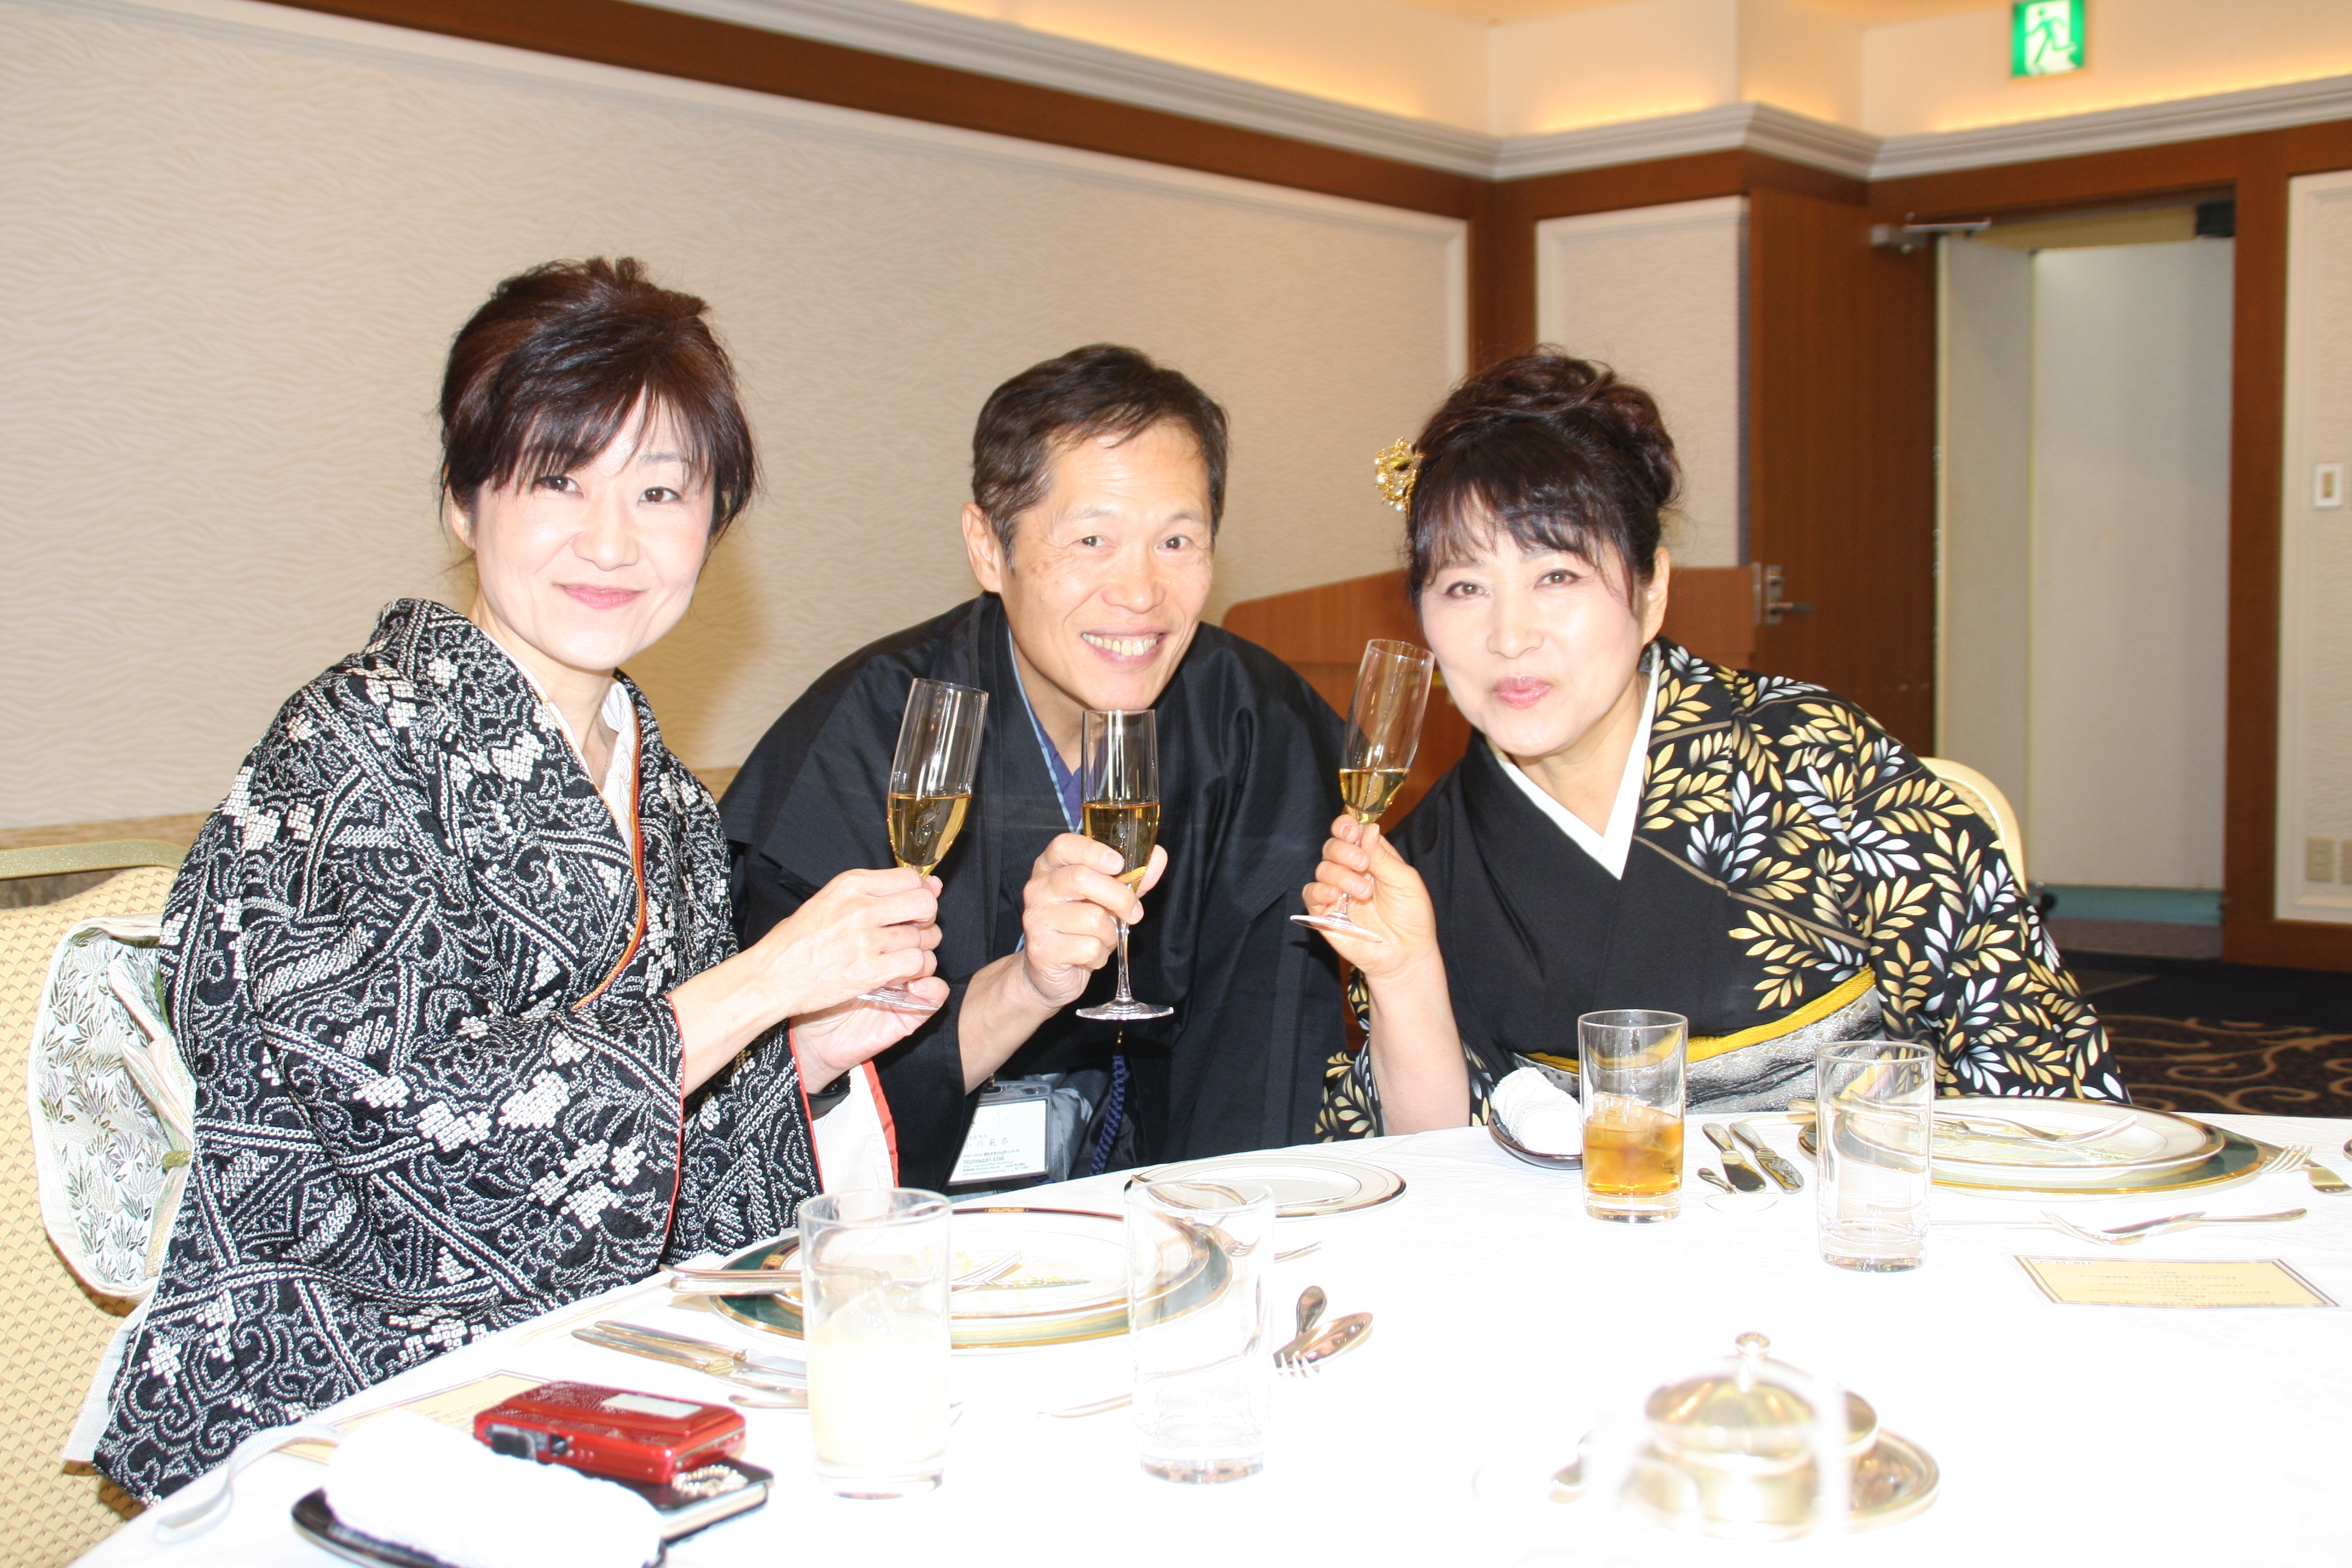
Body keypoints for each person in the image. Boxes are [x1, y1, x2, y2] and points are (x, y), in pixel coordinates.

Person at [98, 259, 944, 1500]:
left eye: (661, 491)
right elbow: (423, 1133)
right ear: (463, 499)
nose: (611, 540)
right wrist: (758, 987)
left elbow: (647, 1161)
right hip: (345, 1406)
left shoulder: (660, 795)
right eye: (558, 480)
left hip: (584, 1384)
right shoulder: (343, 753)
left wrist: (792, 1051)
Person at [1303, 350, 2122, 1137]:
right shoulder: (1431, 860)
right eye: (1464, 587)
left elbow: (2026, 1046)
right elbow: (1433, 1167)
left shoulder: (1813, 757)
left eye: (1558, 576)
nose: (1509, 635)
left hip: (1856, 1207)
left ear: (1653, 591)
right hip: (1590, 1227)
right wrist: (1405, 973)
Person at [724, 345, 1345, 1188]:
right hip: (922, 1220)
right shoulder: (875, 731)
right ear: (989, 547)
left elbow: (1271, 1044)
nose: (1140, 592)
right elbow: (782, 1086)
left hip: (1173, 1209)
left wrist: (1211, 1224)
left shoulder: (1256, 722)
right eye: (1092, 539)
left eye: (1176, 540)